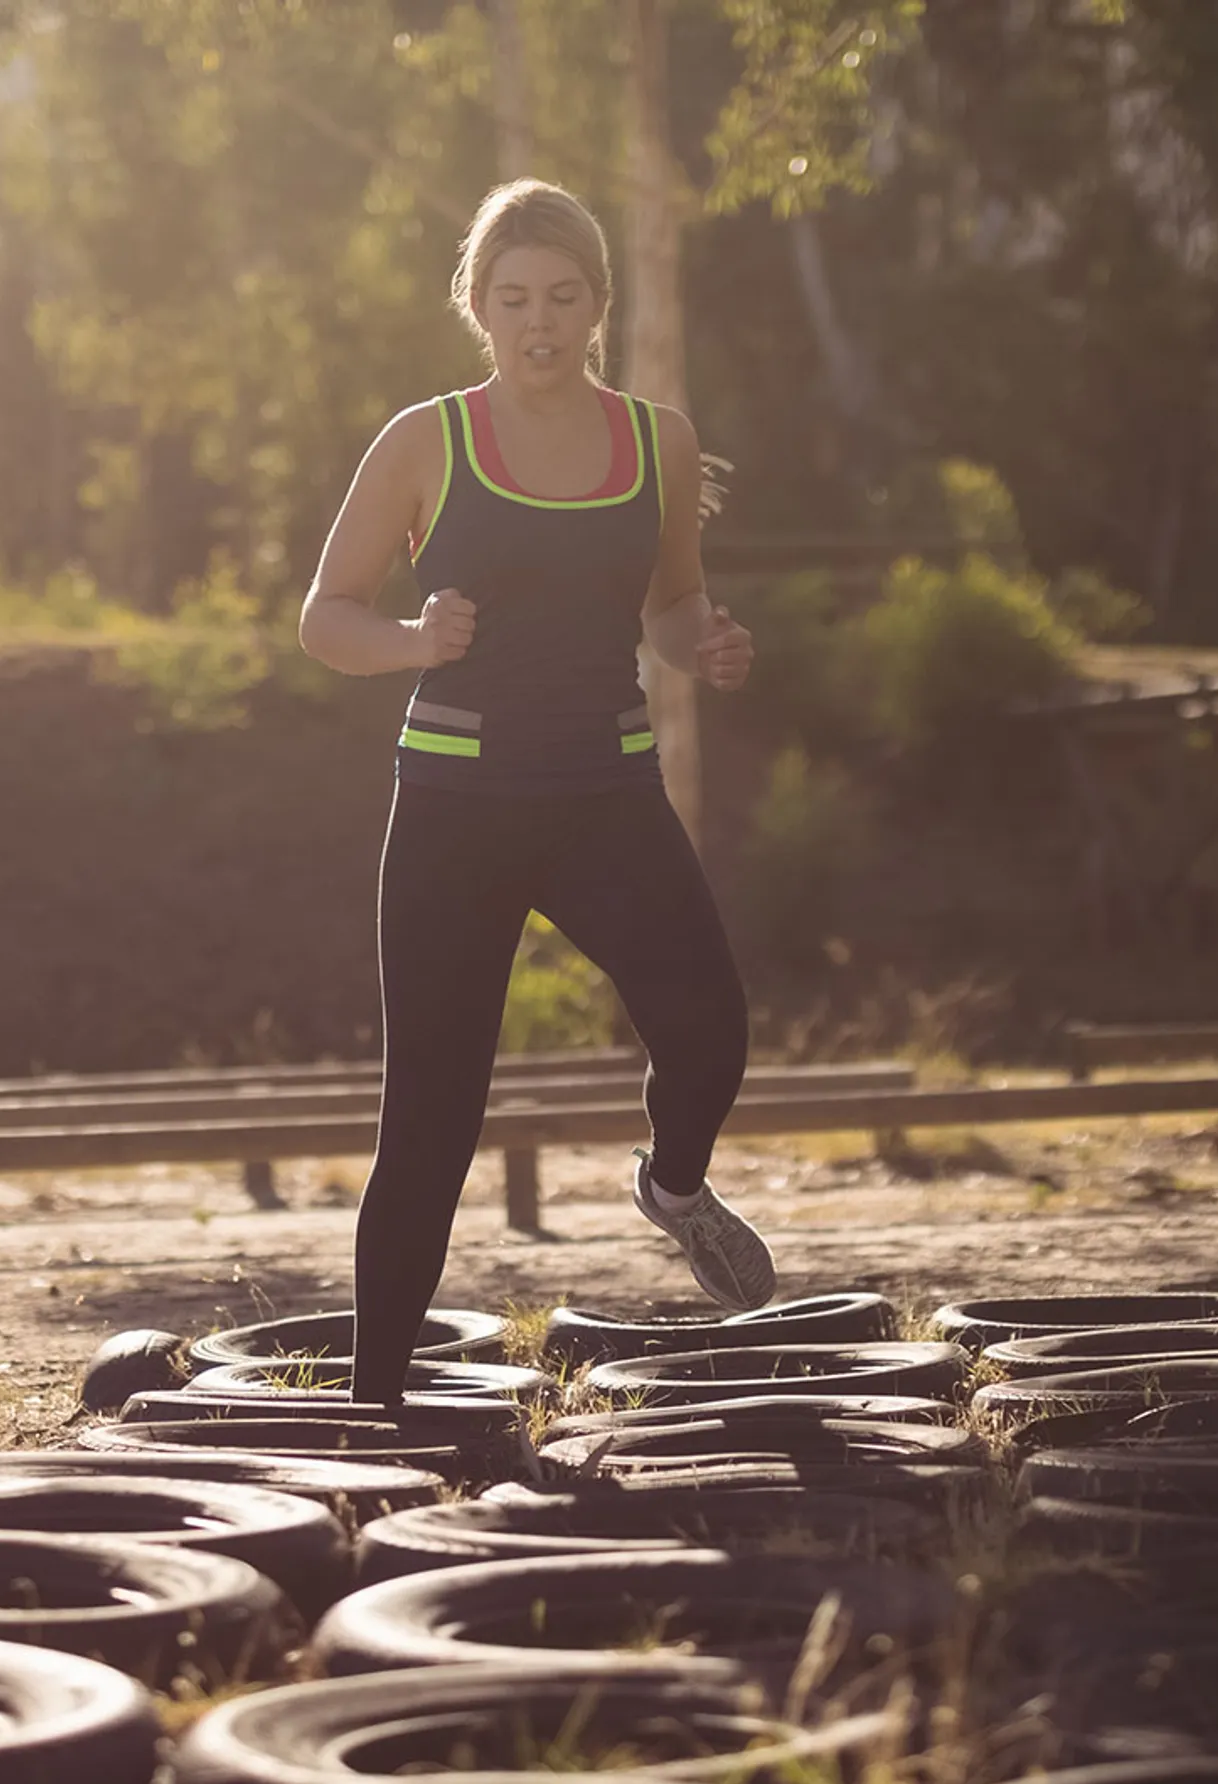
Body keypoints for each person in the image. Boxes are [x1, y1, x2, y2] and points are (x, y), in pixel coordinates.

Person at [299, 178, 775, 1406]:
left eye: (562, 296)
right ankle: (376, 1405)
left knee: (711, 1027)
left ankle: (671, 1187)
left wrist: (700, 643)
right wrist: (413, 638)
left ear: (597, 303)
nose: (539, 320)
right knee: (430, 1123)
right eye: (513, 298)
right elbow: (324, 616)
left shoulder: (654, 439)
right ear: (478, 305)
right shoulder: (426, 439)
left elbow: (668, 602)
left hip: (604, 795)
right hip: (455, 807)